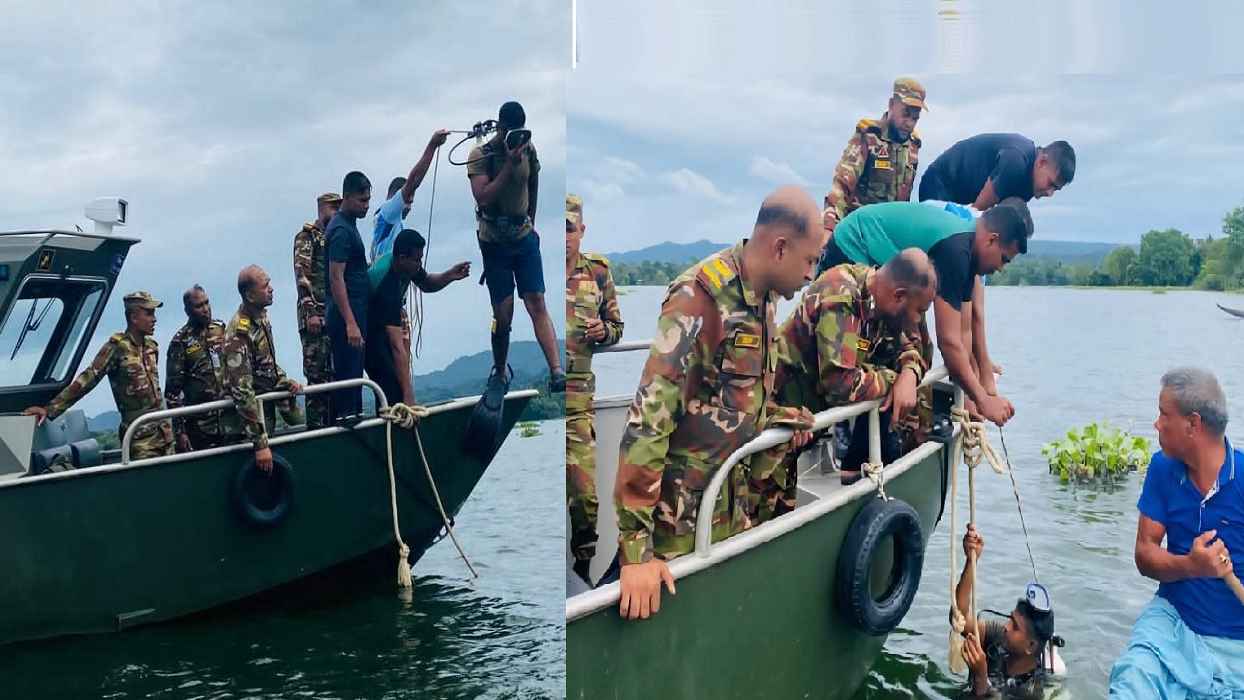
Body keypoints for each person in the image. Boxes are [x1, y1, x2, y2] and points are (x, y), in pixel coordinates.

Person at [613, 186, 823, 620]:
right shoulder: (700, 297)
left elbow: (731, 397)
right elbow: (649, 418)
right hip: (680, 520)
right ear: (780, 248)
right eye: (810, 260)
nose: (811, 275)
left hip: (732, 504)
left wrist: (782, 418)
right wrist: (636, 553)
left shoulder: (764, 299)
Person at [816, 200, 1031, 426]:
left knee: (918, 346)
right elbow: (948, 343)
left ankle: (884, 432)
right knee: (867, 349)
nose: (1000, 268)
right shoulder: (956, 250)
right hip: (854, 248)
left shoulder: (968, 250)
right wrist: (983, 399)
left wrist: (974, 395)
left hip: (888, 271)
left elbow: (962, 333)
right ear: (992, 239)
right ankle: (846, 432)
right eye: (1004, 259)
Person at [1108, 368, 1244, 698]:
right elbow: (1144, 554)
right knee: (1131, 682)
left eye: (1163, 414)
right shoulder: (1162, 468)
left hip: (1235, 643)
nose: (1156, 424)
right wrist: (1192, 566)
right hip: (1171, 622)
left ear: (1193, 424)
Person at [761, 250, 935, 493]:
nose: (918, 320)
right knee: (762, 518)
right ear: (899, 296)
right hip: (774, 416)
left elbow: (917, 349)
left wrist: (909, 372)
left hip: (803, 422)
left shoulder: (881, 300)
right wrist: (893, 380)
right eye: (919, 311)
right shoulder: (841, 295)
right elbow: (841, 384)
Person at [466, 100, 565, 401]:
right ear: (500, 127)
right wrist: (508, 164)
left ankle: (557, 370)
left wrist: (531, 220)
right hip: (493, 240)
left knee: (536, 300)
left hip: (522, 236)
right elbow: (483, 197)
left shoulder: (529, 149)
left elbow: (533, 182)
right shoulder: (480, 155)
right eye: (511, 131)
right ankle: (499, 369)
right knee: (504, 313)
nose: (517, 137)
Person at [23, 291, 174, 460]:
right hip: (140, 437)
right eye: (149, 313)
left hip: (164, 433)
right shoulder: (116, 347)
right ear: (133, 317)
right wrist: (49, 409)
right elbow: (87, 379)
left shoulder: (151, 346)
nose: (154, 319)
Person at [564, 193, 624, 585]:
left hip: (579, 401)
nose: (564, 236)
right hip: (549, 395)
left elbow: (617, 329)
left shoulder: (598, 273)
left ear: (581, 231)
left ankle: (582, 570)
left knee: (586, 496)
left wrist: (605, 332)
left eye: (569, 228)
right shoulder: (538, 272)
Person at [365, 228, 470, 405]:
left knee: (396, 382)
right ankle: (391, 422)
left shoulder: (406, 266)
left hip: (382, 325)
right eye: (417, 260)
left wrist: (450, 275)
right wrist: (408, 395)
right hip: (366, 331)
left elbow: (427, 283)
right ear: (402, 258)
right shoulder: (387, 284)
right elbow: (397, 346)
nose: (419, 264)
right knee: (391, 385)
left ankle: (393, 415)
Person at [956, 524, 1059, 698]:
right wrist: (971, 560)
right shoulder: (999, 637)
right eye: (1010, 618)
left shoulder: (1032, 691)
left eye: (1015, 627)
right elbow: (959, 619)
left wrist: (981, 678)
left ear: (1031, 646)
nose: (1006, 626)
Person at [221, 265, 302, 473]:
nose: (271, 289)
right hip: (245, 430)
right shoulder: (239, 332)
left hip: (265, 415)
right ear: (249, 295)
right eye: (265, 286)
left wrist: (284, 379)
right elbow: (241, 390)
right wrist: (260, 444)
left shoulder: (262, 318)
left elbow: (266, 362)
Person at [822, 77, 926, 233]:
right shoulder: (869, 136)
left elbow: (905, 198)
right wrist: (831, 220)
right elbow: (843, 183)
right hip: (859, 230)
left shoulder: (913, 145)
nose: (910, 123)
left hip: (889, 233)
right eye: (905, 114)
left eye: (915, 118)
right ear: (891, 105)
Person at [918, 133, 1075, 210]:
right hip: (941, 184)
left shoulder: (1029, 185)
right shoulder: (1016, 162)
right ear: (1042, 162)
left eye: (1056, 189)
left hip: (962, 200)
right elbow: (976, 213)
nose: (1050, 193)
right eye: (1051, 184)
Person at [325, 171, 372, 420]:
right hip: (346, 315)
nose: (366, 206)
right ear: (347, 197)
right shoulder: (341, 230)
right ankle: (346, 421)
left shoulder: (350, 225)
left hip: (357, 309)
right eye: (362, 200)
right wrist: (350, 323)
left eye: (368, 200)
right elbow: (336, 277)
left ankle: (353, 416)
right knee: (347, 375)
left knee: (355, 376)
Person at [293, 192, 341, 428]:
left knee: (335, 377)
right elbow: (302, 276)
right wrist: (311, 312)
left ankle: (334, 425)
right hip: (314, 318)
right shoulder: (307, 237)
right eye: (333, 208)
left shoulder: (333, 236)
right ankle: (316, 430)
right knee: (317, 377)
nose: (336, 213)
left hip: (331, 315)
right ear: (322, 209)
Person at [164, 285, 229, 451]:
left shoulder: (220, 328)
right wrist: (180, 432)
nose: (206, 309)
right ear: (188, 311)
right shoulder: (180, 341)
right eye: (199, 306)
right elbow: (172, 392)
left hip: (229, 418)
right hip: (200, 425)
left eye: (207, 303)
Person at [370, 129, 451, 261]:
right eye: (407, 201)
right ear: (397, 196)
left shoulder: (394, 222)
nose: (409, 207)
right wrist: (433, 145)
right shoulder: (387, 213)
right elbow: (414, 181)